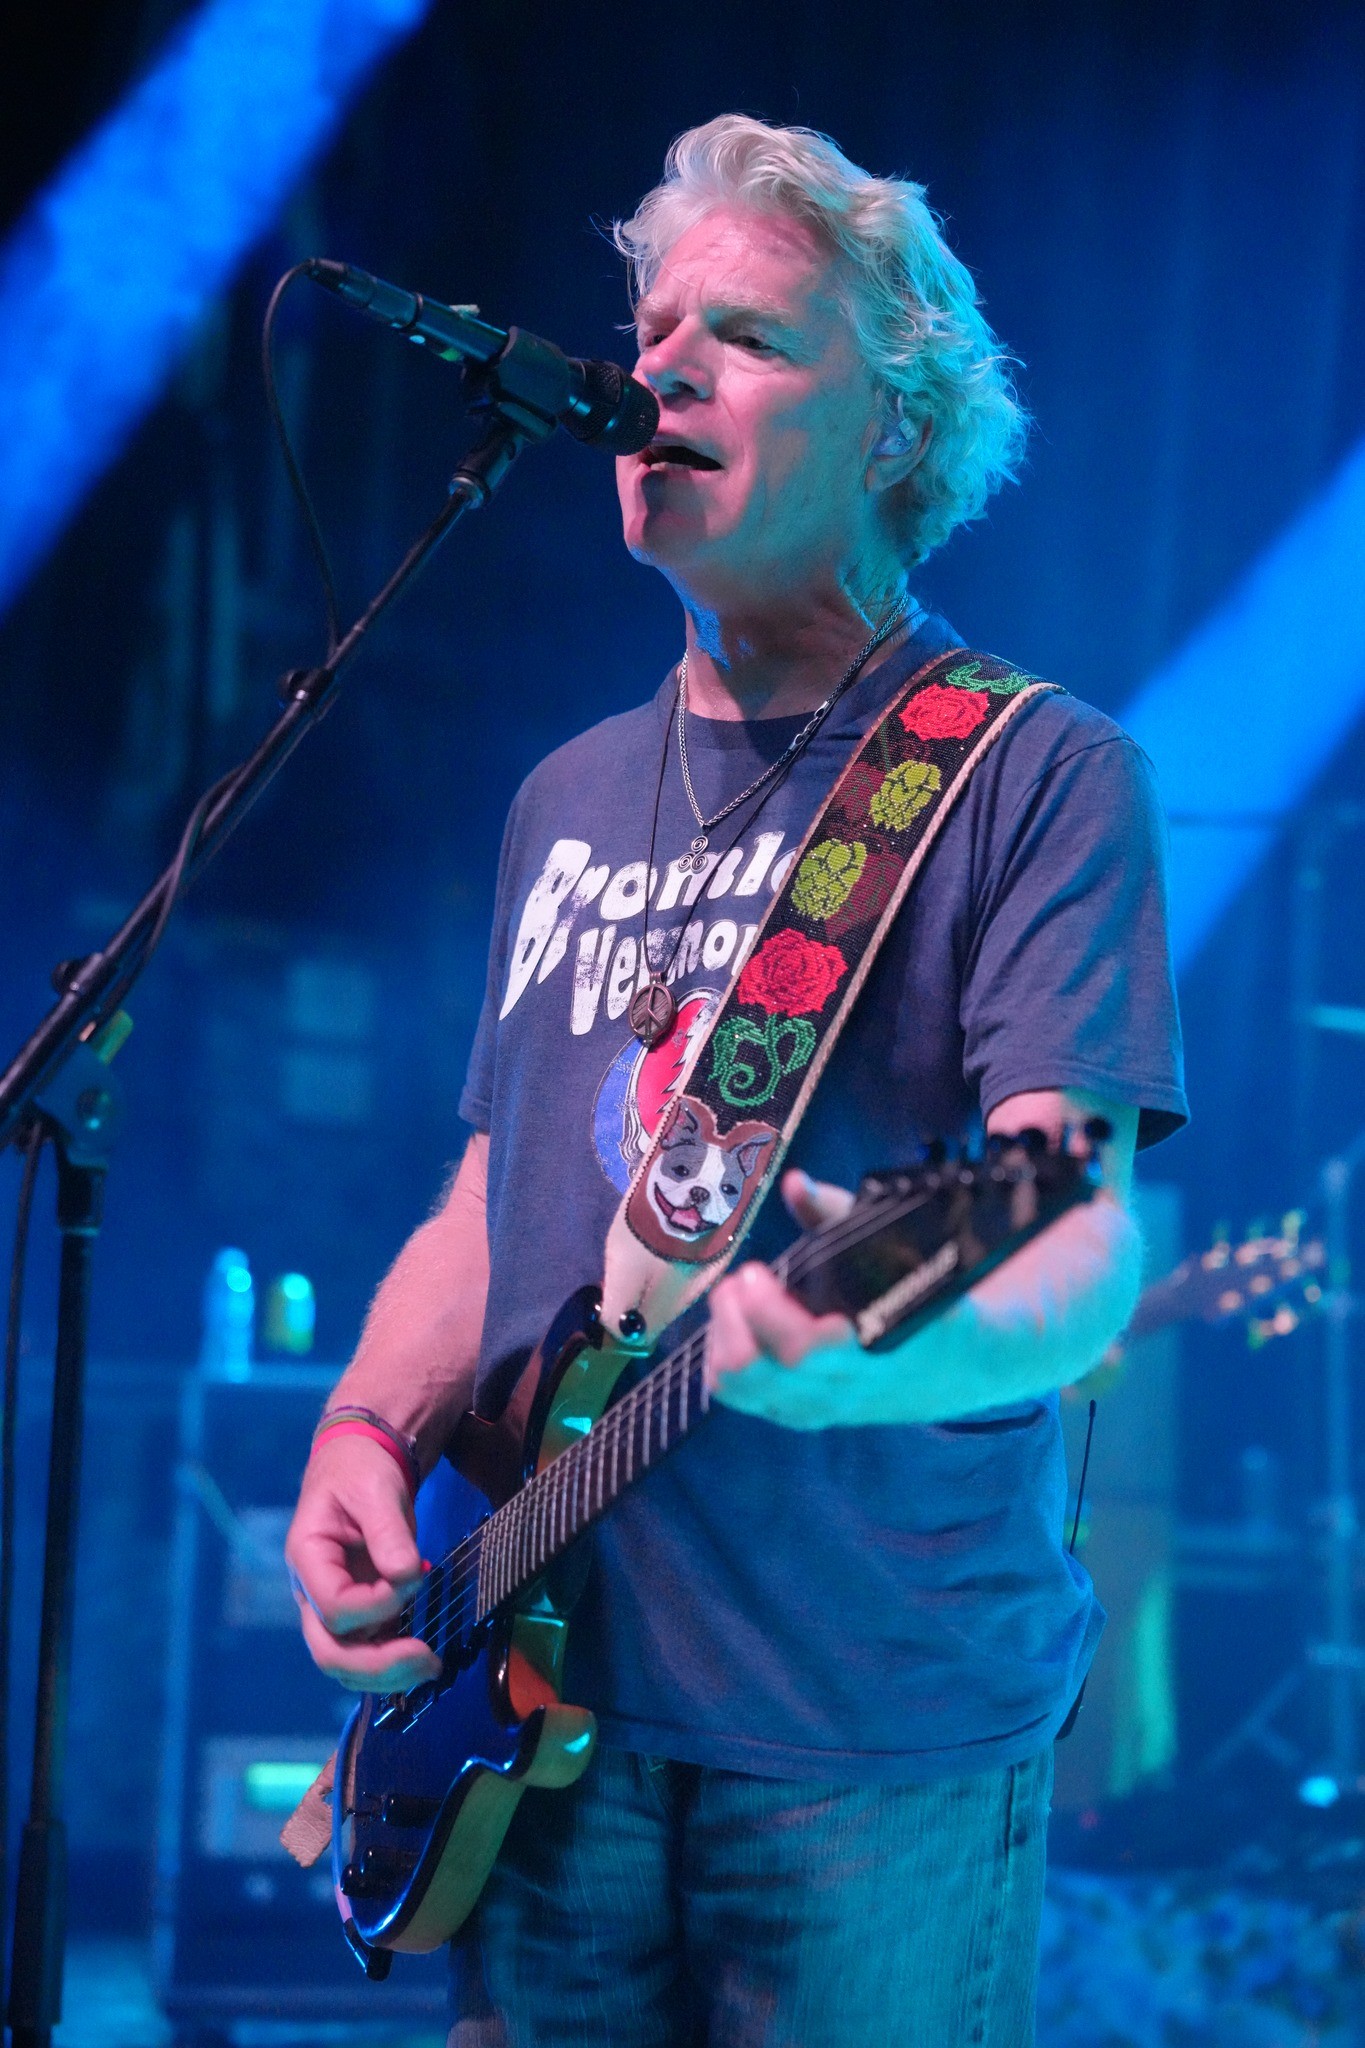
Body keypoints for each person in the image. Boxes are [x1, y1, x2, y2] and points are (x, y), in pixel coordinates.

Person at [285, 115, 1187, 2046]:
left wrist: (888, 1356)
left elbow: (1068, 1228)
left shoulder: (1032, 774)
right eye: (653, 330)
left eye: (751, 336)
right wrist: (365, 1428)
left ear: (891, 427)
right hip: (534, 1686)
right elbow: (494, 1193)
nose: (664, 369)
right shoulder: (564, 793)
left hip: (864, 1734)